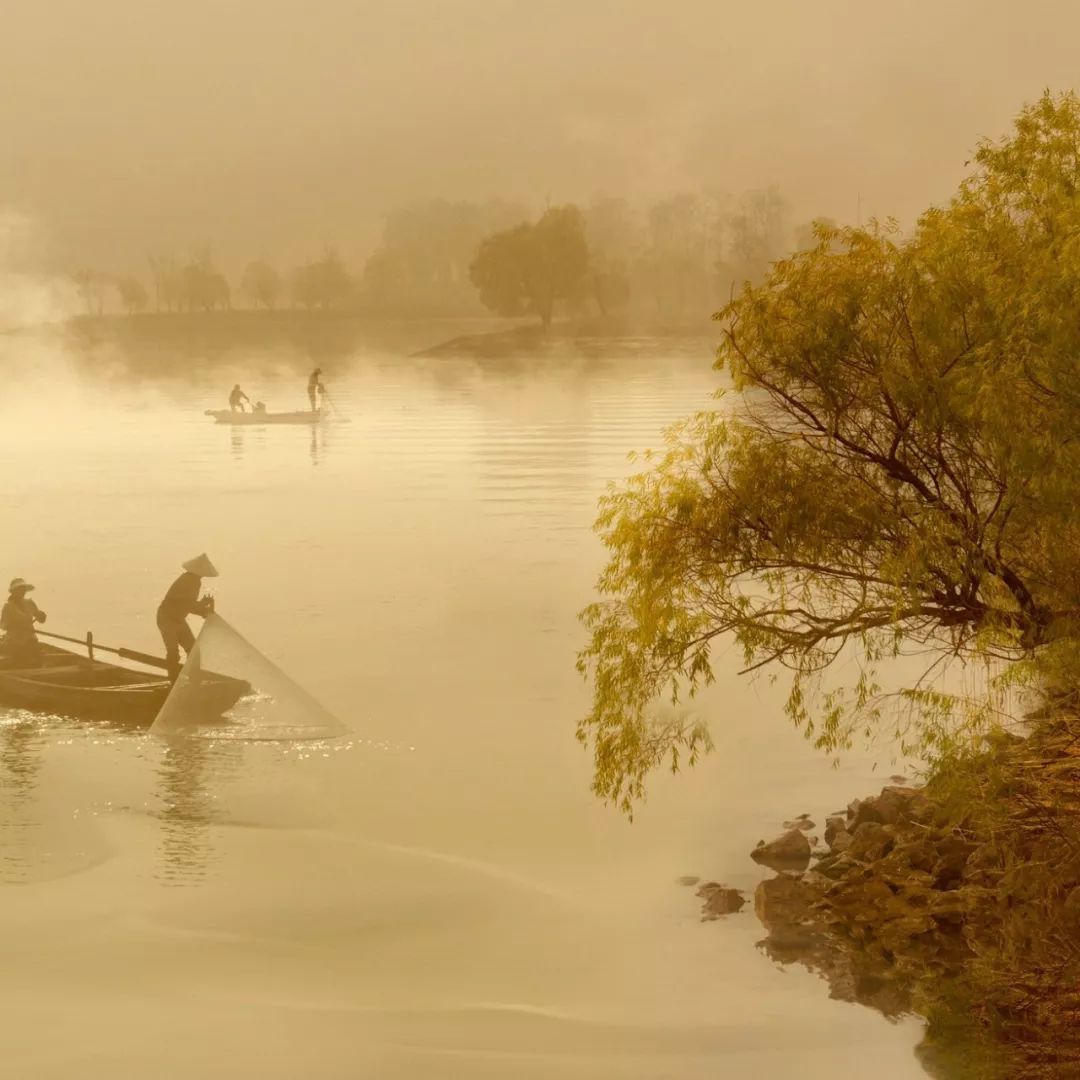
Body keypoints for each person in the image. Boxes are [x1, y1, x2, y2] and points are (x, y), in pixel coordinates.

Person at [157, 554, 218, 681]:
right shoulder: (188, 580)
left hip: (178, 619)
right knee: (173, 652)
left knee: (193, 651)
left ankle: (193, 679)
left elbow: (189, 604)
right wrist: (203, 609)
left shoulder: (194, 581)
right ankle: (173, 681)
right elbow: (187, 604)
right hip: (167, 618)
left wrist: (202, 606)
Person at [0, 578, 47, 666]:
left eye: (23, 589)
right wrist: (12, 626)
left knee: (36, 655)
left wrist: (42, 616)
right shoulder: (8, 607)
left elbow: (41, 619)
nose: (22, 592)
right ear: (13, 592)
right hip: (14, 641)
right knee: (24, 657)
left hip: (31, 639)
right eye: (19, 589)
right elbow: (2, 625)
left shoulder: (30, 603)